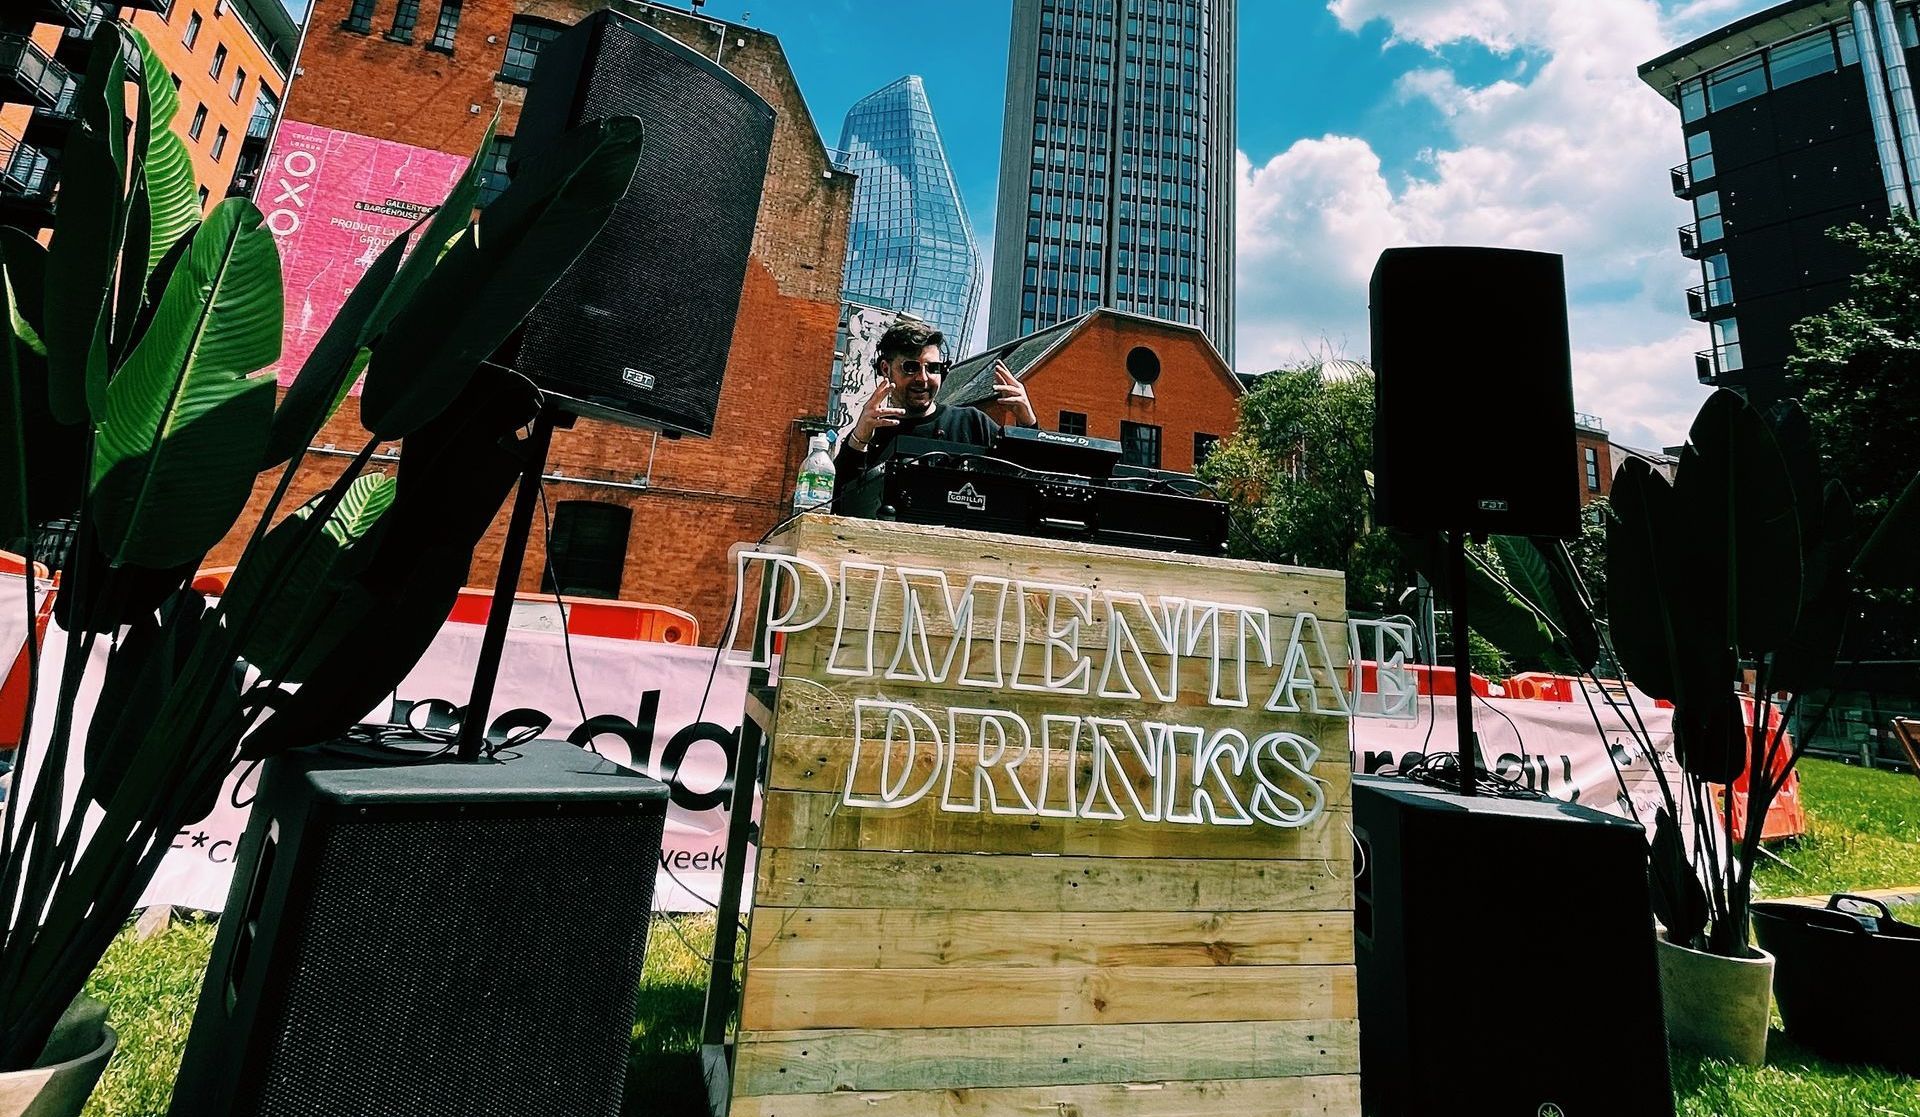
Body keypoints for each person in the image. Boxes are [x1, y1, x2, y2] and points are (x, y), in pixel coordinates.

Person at [833, 321, 1036, 507]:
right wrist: (858, 441)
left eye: (933, 368)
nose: (922, 378)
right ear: (886, 369)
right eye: (910, 367)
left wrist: (1028, 425)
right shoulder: (870, 434)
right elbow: (834, 503)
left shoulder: (973, 423)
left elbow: (1032, 483)